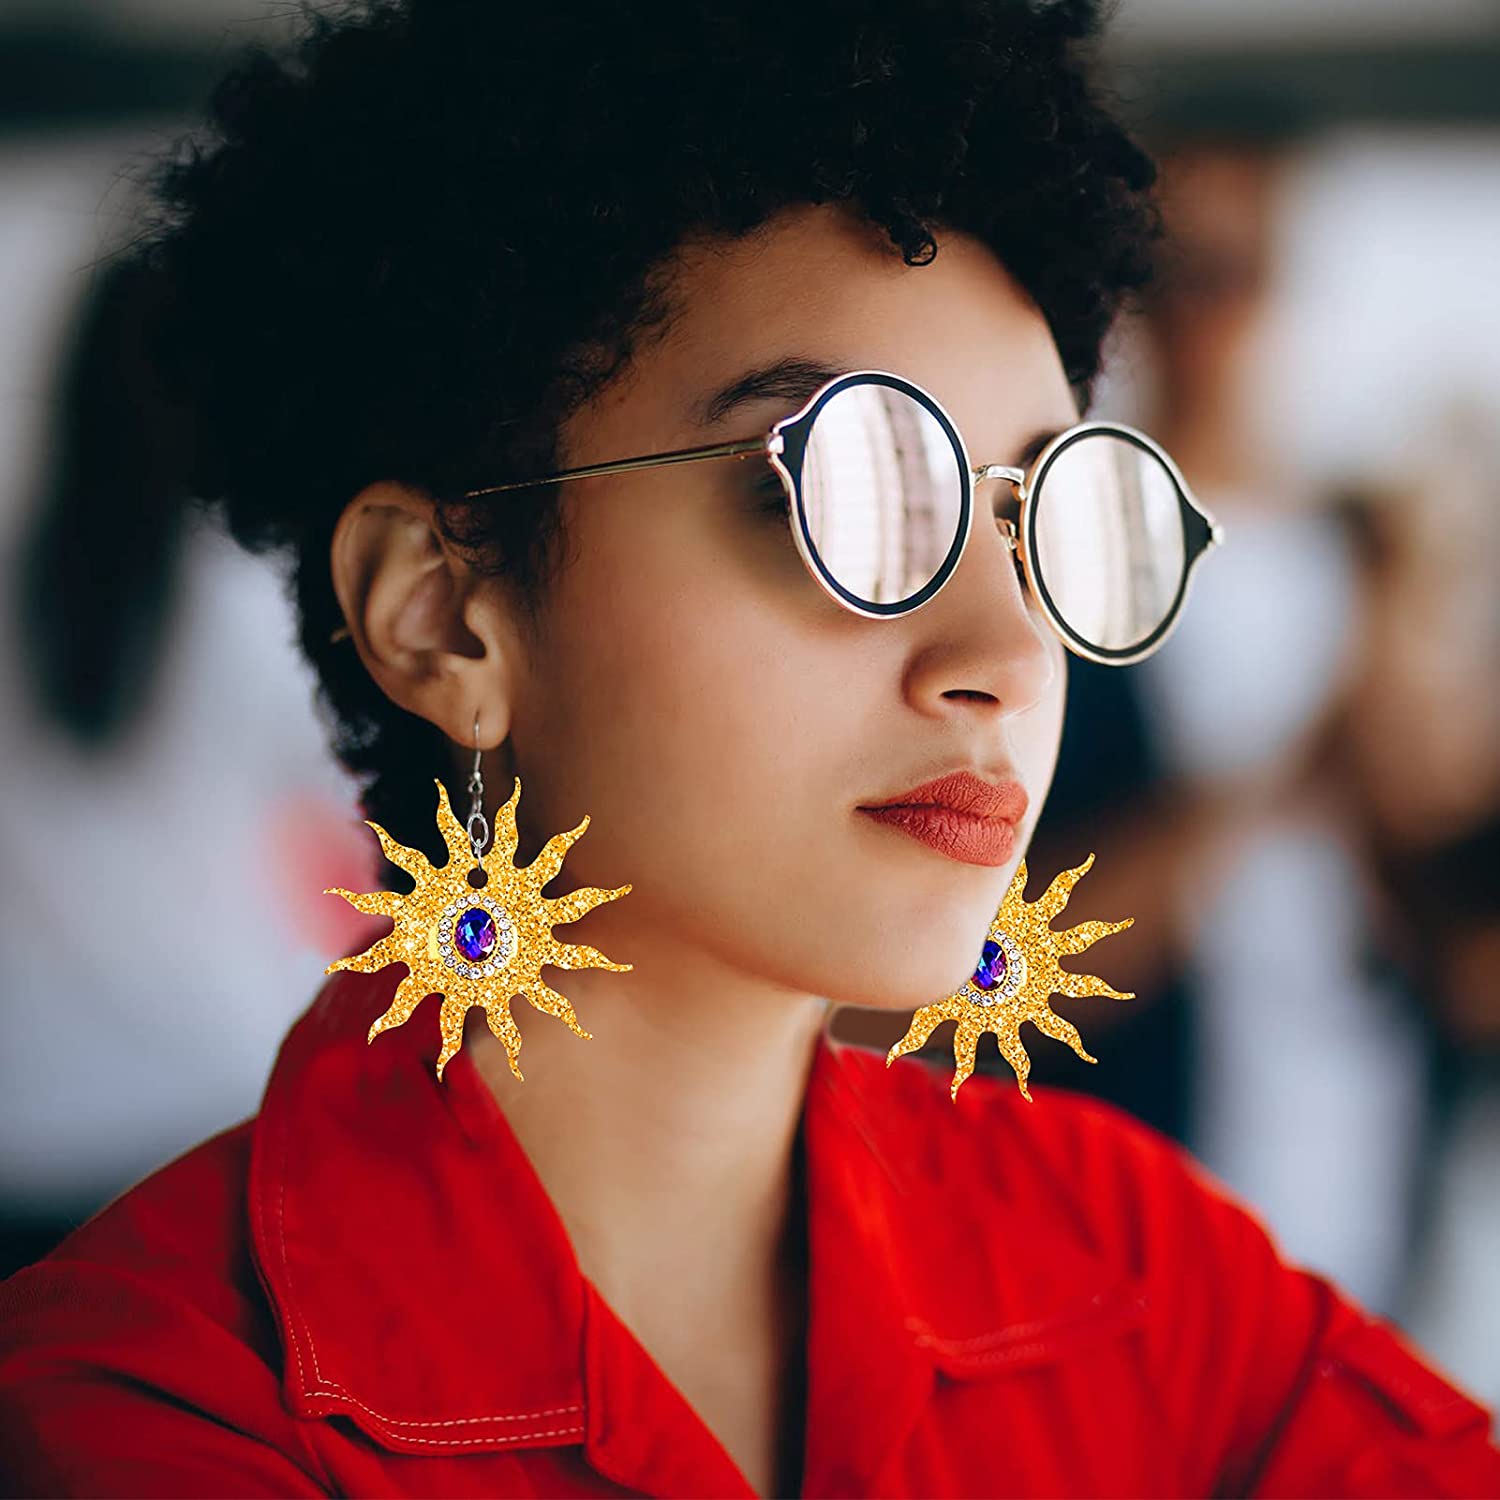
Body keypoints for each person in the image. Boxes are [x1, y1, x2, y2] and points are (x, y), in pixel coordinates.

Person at [2, 1, 1497, 1495]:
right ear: (446, 613)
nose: (1001, 655)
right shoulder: (160, 1406)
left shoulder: (1134, 1266)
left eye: (1043, 514)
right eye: (842, 493)